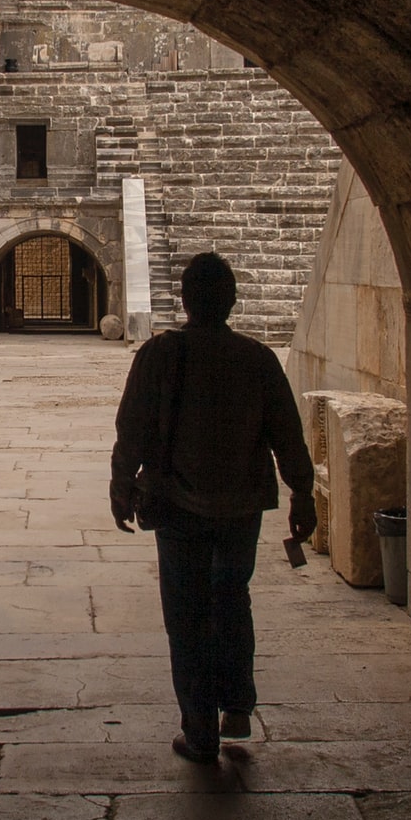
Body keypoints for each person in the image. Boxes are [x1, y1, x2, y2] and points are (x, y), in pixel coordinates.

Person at [110, 252, 317, 762]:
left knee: (186, 614)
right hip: (241, 506)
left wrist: (120, 484)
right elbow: (288, 434)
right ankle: (238, 707)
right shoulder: (257, 358)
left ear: (184, 300)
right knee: (231, 598)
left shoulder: (160, 354)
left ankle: (199, 726)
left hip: (178, 506)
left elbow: (131, 426)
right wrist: (302, 492)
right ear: (232, 301)